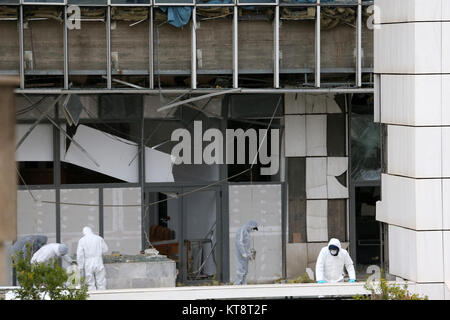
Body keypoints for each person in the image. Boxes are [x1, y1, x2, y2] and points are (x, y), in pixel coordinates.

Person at [77, 226, 108, 291]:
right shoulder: (99, 238)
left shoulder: (82, 240)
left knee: (90, 282)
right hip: (98, 260)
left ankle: (93, 297)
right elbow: (105, 250)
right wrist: (98, 252)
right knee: (101, 281)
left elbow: (80, 255)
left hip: (88, 262)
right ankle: (103, 296)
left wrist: (80, 266)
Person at [234, 220, 258, 285]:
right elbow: (239, 242)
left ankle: (243, 284)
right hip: (240, 255)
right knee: (240, 270)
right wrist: (243, 252)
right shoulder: (242, 230)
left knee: (245, 271)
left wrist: (250, 255)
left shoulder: (248, 233)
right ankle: (237, 284)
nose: (253, 230)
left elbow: (247, 246)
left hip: (245, 256)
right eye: (253, 228)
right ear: (250, 226)